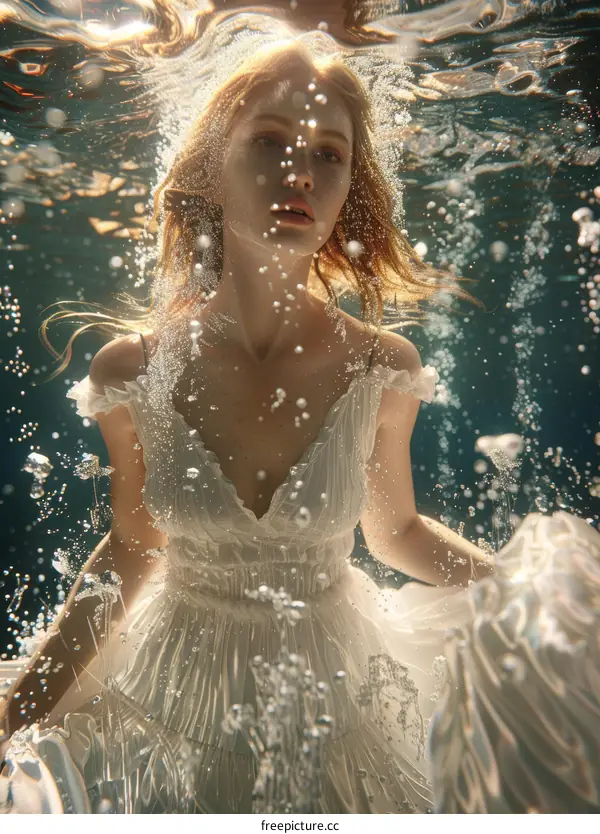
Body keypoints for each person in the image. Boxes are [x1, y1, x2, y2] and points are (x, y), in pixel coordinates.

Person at [0, 38, 493, 813]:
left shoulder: (381, 366)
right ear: (206, 167)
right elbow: (132, 547)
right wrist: (14, 714)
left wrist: (518, 591)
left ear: (347, 192)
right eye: (269, 141)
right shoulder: (132, 370)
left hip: (343, 703)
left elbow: (395, 532)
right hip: (167, 701)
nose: (300, 173)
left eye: (329, 154)